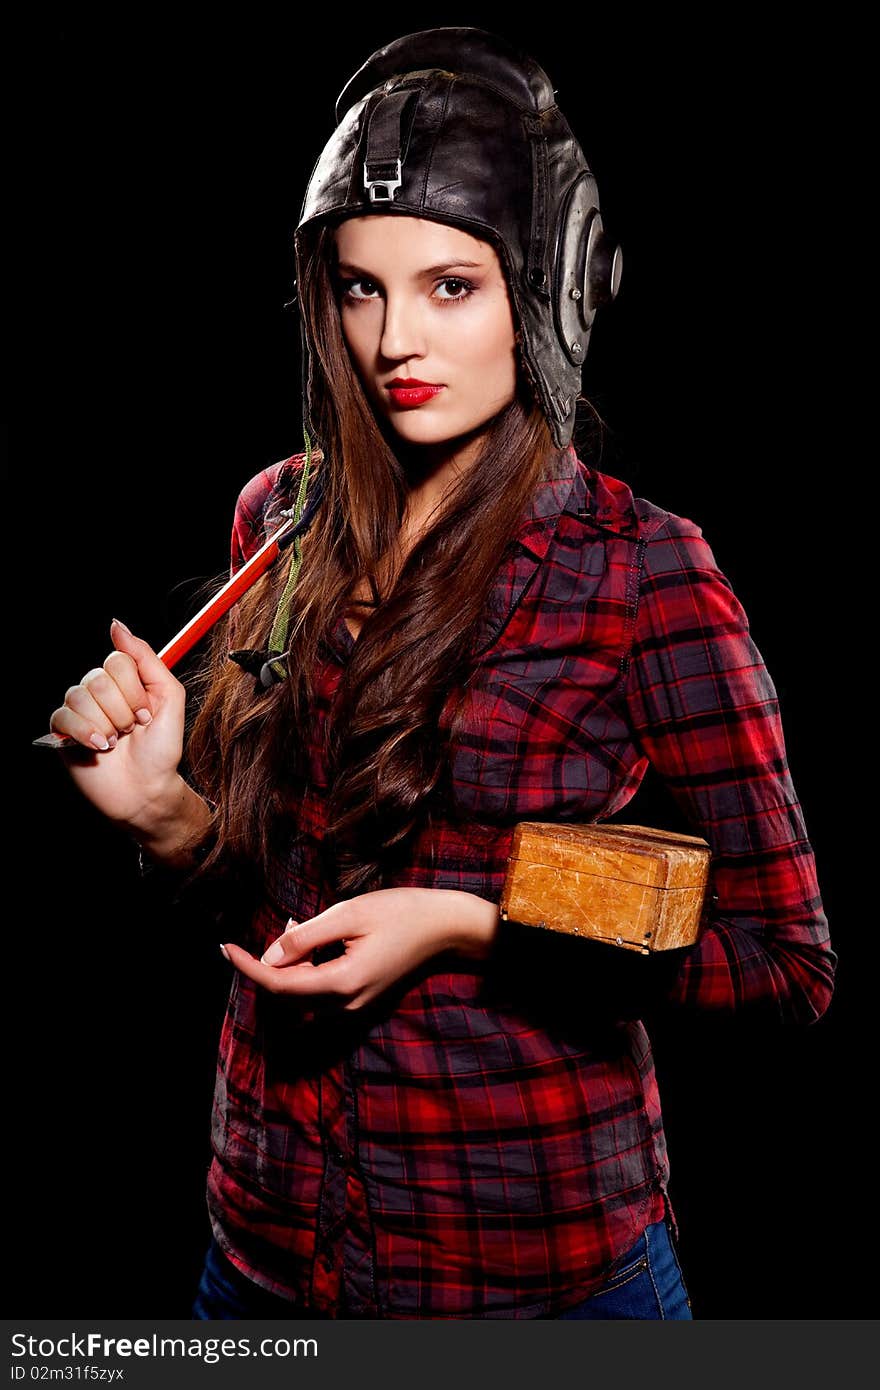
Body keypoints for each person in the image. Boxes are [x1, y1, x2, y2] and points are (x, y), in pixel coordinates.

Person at [45, 27, 835, 1320]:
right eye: (360, 289)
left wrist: (470, 922)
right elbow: (270, 894)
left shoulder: (645, 575)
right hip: (265, 1257)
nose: (394, 338)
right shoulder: (276, 524)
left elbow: (785, 959)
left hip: (539, 1281)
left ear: (550, 290)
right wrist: (168, 817)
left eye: (449, 288)